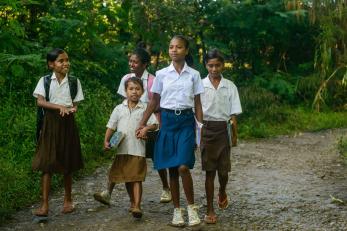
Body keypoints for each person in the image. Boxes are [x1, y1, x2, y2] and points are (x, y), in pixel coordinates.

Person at [136, 35, 203, 227]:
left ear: (186, 50)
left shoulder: (194, 75)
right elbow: (154, 101)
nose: (174, 50)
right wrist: (141, 123)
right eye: (171, 47)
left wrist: (201, 128)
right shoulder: (162, 74)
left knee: (183, 165)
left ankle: (191, 207)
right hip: (167, 121)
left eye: (179, 47)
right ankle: (177, 211)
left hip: (186, 122)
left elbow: (198, 104)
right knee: (172, 168)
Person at [95, 77, 158, 218]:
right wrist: (106, 141)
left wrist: (146, 129)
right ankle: (131, 202)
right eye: (131, 89)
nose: (134, 92)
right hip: (122, 149)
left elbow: (155, 124)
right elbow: (111, 126)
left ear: (142, 92)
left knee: (136, 178)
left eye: (137, 89)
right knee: (126, 177)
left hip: (138, 149)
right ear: (125, 91)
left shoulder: (145, 108)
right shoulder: (119, 108)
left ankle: (137, 206)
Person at [32, 48, 84, 217]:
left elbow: (76, 104)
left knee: (67, 163)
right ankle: (45, 205)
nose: (65, 63)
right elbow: (40, 102)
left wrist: (72, 109)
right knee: (47, 164)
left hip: (68, 123)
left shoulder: (74, 81)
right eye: (61, 61)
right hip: (50, 124)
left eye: (67, 60)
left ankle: (68, 201)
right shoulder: (45, 81)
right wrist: (59, 107)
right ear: (51, 64)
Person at [117, 47, 171, 203]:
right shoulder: (126, 78)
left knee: (156, 156)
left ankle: (166, 188)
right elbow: (123, 101)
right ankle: (110, 190)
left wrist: (148, 117)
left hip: (151, 125)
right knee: (126, 155)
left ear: (145, 64)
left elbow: (158, 103)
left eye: (135, 62)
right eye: (130, 61)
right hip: (130, 123)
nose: (132, 64)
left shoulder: (154, 80)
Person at [200, 49, 242, 224]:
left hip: (223, 129)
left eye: (217, 65)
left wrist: (234, 135)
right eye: (210, 65)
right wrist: (198, 133)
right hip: (206, 129)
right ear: (206, 66)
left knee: (223, 171)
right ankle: (210, 209)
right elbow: (197, 111)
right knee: (209, 171)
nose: (214, 69)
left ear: (223, 65)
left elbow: (233, 114)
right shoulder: (200, 85)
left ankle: (222, 191)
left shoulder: (230, 86)